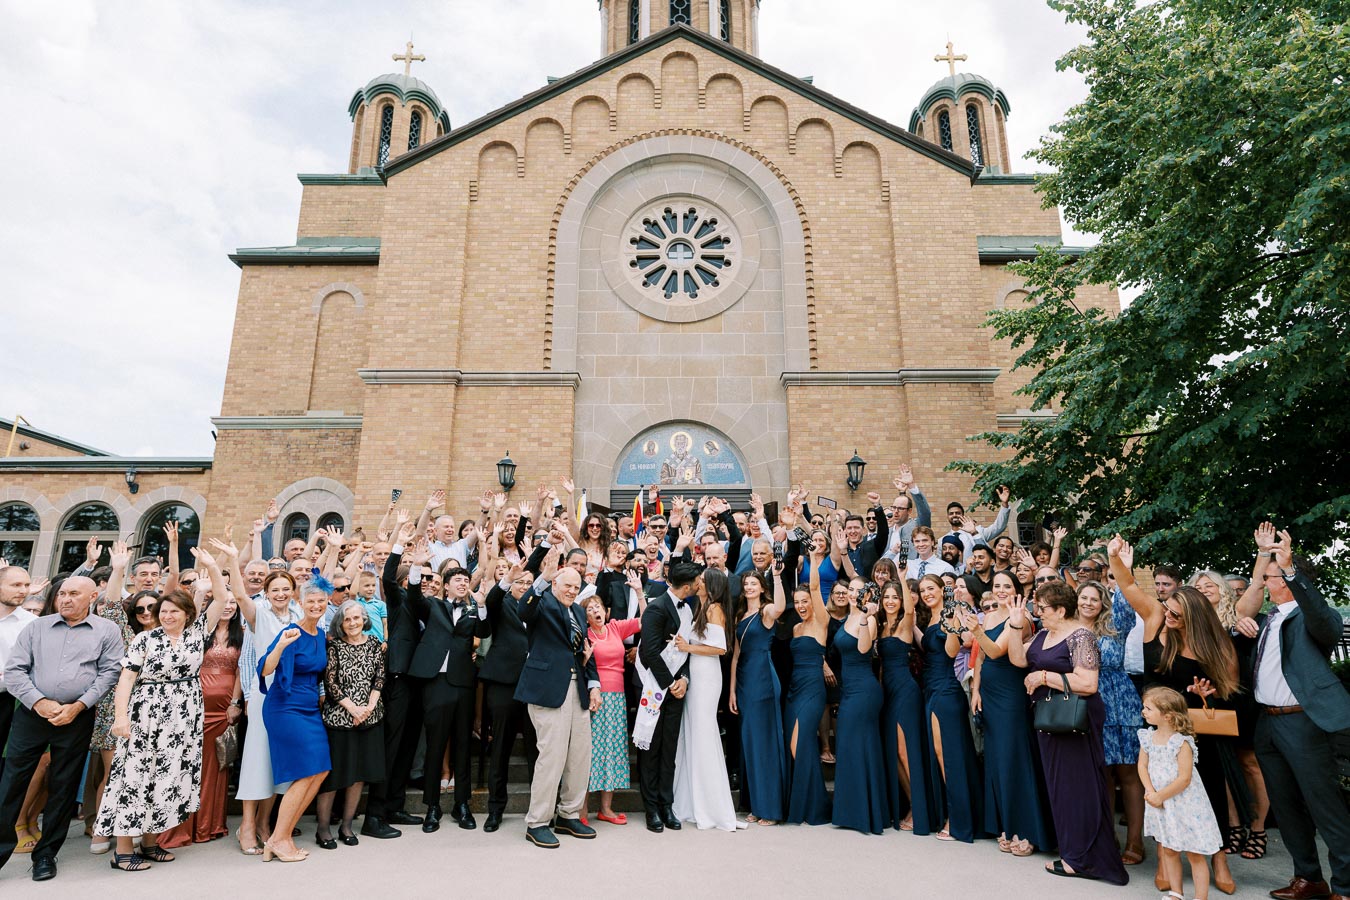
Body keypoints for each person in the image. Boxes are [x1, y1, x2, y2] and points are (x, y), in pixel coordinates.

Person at [1110, 536, 1240, 894]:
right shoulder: (1154, 618)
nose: (1167, 614)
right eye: (1167, 608)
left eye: (1176, 614)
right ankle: (1169, 857)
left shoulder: (1212, 643)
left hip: (1194, 730)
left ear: (1193, 617)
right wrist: (1115, 557)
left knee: (1206, 795)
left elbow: (1229, 690)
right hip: (1155, 729)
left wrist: (1207, 694)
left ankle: (1218, 857)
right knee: (1161, 796)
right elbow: (1126, 583)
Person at [94, 548, 230, 872]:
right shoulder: (145, 640)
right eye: (163, 611)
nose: (167, 616)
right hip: (146, 714)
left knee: (168, 777)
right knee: (135, 777)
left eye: (173, 611)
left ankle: (150, 842)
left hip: (184, 716)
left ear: (186, 613)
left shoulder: (198, 636)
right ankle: (123, 850)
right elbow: (126, 680)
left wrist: (212, 566)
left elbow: (223, 601)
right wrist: (121, 717)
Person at [0, 575, 124, 882]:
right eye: (62, 594)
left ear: (93, 596)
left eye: (73, 594)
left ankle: (45, 855)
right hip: (32, 714)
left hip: (76, 717)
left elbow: (109, 673)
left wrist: (79, 706)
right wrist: (38, 701)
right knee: (11, 783)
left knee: (63, 785)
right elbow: (15, 671)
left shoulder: (107, 630)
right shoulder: (37, 627)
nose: (65, 599)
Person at [1251, 528, 1350, 900]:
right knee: (1287, 805)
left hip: (1303, 722)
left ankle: (1346, 885)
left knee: (1325, 806)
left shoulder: (1311, 617)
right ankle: (1308, 878)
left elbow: (1326, 623)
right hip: (1268, 723)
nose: (1264, 581)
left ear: (1289, 582)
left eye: (1270, 576)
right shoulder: (1269, 619)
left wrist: (1290, 568)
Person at [1008, 580, 1128, 885]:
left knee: (1080, 787)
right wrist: (1014, 624)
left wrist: (1044, 676)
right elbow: (1017, 659)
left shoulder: (1082, 636)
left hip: (1075, 721)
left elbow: (1088, 683)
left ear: (1061, 609)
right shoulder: (1044, 634)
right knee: (1061, 788)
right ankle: (1072, 851)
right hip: (1050, 720)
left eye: (1042, 608)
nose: (1038, 612)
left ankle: (1085, 858)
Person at [964, 570, 1054, 856]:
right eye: (997, 586)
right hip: (989, 693)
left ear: (1017, 590)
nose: (1001, 590)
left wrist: (976, 631)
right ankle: (1006, 822)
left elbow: (995, 651)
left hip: (1010, 694)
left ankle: (1026, 828)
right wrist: (976, 690)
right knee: (997, 760)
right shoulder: (991, 615)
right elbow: (978, 659)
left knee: (1014, 757)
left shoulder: (1021, 618)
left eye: (1007, 586)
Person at [514, 567, 602, 849]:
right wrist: (539, 581)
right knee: (551, 758)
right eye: (567, 586)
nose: (572, 591)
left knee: (580, 756)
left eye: (576, 587)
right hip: (547, 690)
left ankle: (568, 814)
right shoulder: (541, 602)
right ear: (554, 583)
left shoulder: (578, 611)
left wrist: (594, 684)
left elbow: (585, 650)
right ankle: (538, 822)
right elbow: (523, 612)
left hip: (578, 690)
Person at [160, 575, 244, 849]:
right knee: (187, 765)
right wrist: (203, 589)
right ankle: (182, 825)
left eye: (233, 602)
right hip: (192, 706)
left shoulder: (241, 634)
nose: (229, 606)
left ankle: (208, 824)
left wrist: (235, 703)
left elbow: (241, 670)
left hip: (222, 711)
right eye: (225, 601)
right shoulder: (199, 631)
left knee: (213, 767)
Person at [406, 558, 489, 833]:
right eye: (458, 580)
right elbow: (414, 597)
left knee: (464, 745)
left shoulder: (473, 610)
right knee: (435, 744)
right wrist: (416, 568)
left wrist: (482, 605)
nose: (463, 583)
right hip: (435, 682)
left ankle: (462, 804)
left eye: (466, 580)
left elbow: (485, 631)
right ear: (446, 586)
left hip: (463, 682)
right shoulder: (434, 605)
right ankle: (432, 806)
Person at [256, 579, 334, 862]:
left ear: (327, 604)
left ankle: (282, 835)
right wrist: (279, 647)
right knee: (305, 771)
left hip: (309, 707)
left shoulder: (321, 633)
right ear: (300, 603)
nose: (316, 605)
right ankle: (278, 838)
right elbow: (265, 668)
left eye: (321, 601)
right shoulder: (290, 631)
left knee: (321, 768)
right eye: (310, 601)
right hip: (285, 707)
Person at [363, 520, 427, 837]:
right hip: (398, 680)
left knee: (407, 748)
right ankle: (373, 815)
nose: (426, 583)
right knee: (391, 746)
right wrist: (400, 546)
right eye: (420, 579)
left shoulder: (428, 607)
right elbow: (387, 577)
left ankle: (395, 806)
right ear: (406, 584)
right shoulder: (399, 600)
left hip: (420, 682)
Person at [671, 567, 742, 830]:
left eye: (701, 580)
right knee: (692, 735)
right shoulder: (701, 608)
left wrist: (687, 646)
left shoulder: (715, 609)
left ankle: (711, 806)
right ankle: (692, 801)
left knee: (703, 734)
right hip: (697, 674)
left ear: (711, 585)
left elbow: (721, 648)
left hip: (707, 676)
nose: (697, 582)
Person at [1139, 686, 1223, 900]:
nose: (1143, 711)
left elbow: (1184, 778)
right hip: (1162, 804)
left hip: (1184, 804)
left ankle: (1200, 897)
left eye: (1148, 708)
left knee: (1194, 853)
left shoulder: (1181, 742)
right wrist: (1150, 791)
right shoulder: (1147, 737)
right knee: (1168, 849)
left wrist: (1161, 795)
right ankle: (1176, 893)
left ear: (1167, 715)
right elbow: (1142, 766)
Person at [636, 560, 701, 832]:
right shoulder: (656, 608)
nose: (700, 585)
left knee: (669, 749)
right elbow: (649, 652)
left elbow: (685, 650)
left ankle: (667, 804)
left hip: (676, 690)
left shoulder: (689, 608)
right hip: (655, 687)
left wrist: (684, 679)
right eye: (697, 582)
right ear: (687, 586)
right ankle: (651, 807)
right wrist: (671, 682)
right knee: (650, 749)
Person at [315, 600, 385, 850]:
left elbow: (379, 677)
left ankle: (346, 826)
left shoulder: (375, 644)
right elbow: (330, 682)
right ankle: (323, 829)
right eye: (348, 619)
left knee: (358, 777)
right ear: (341, 623)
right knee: (334, 777)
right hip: (340, 719)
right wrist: (353, 708)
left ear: (364, 619)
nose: (353, 623)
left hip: (370, 717)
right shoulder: (333, 646)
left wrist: (367, 708)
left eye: (357, 618)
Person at [916, 573, 980, 842]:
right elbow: (926, 646)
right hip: (930, 689)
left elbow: (952, 652)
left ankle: (959, 820)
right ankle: (954, 813)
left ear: (944, 590)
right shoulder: (929, 618)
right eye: (922, 590)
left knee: (948, 756)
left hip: (945, 689)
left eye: (931, 588)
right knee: (940, 755)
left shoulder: (950, 615)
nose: (927, 593)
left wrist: (953, 624)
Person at [730, 565, 788, 826]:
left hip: (763, 677)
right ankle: (754, 804)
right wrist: (731, 689)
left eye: (754, 584)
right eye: (747, 584)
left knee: (764, 742)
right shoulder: (740, 614)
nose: (749, 587)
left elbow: (780, 608)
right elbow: (735, 654)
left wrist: (775, 576)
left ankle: (771, 808)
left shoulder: (766, 611)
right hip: (743, 680)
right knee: (749, 742)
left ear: (762, 588)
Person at [830, 580, 887, 835]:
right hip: (849, 689)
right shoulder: (845, 619)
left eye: (858, 591)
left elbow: (864, 648)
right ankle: (851, 811)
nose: (853, 594)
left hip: (864, 690)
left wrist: (865, 617)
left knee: (860, 746)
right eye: (850, 590)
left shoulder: (869, 619)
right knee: (848, 745)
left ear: (869, 594)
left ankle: (866, 814)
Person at [583, 584, 643, 824]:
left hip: (617, 698)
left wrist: (639, 593)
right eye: (589, 609)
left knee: (614, 752)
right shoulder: (585, 634)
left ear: (605, 611)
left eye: (598, 606)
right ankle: (581, 809)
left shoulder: (616, 628)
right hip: (594, 698)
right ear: (585, 616)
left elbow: (646, 620)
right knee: (590, 754)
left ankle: (606, 809)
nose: (595, 611)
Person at [784, 550, 831, 826]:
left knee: (799, 745)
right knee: (798, 748)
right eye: (797, 602)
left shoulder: (820, 622)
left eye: (805, 601)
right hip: (794, 689)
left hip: (813, 690)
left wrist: (814, 560)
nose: (802, 606)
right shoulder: (796, 629)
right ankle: (812, 803)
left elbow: (814, 586)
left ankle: (812, 806)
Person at [0, 567, 38, 795]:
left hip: (8, 703)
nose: (24, 591)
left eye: (26, 585)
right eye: (16, 585)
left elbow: (31, 667)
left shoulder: (31, 623)